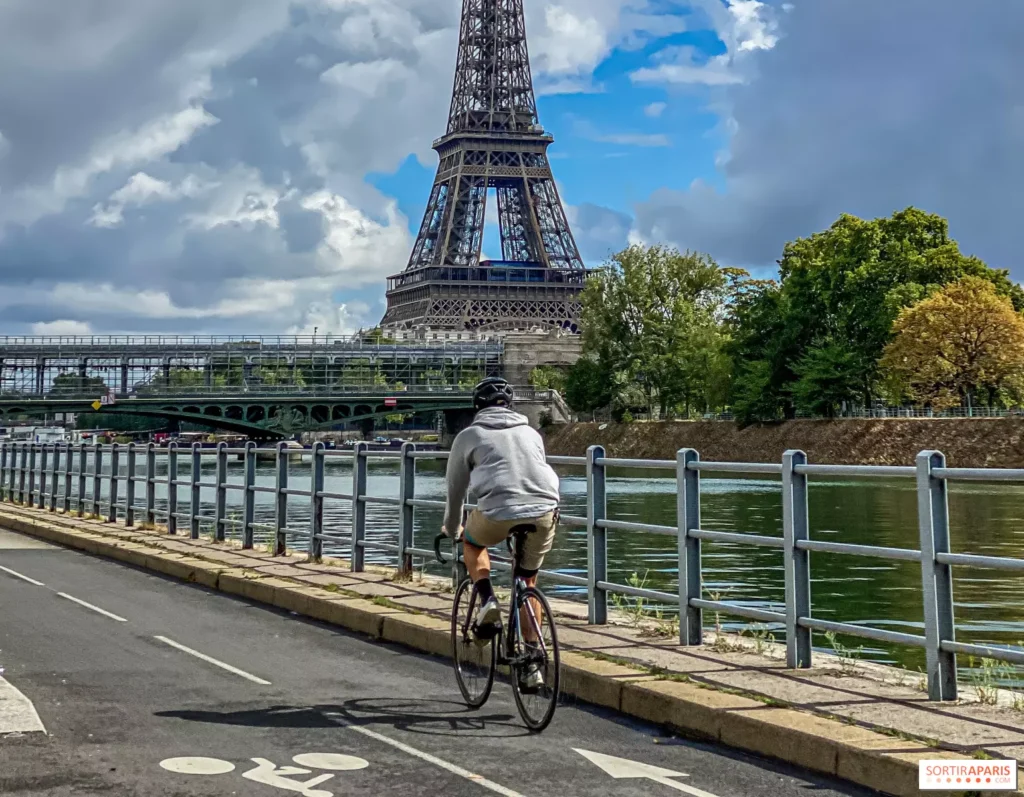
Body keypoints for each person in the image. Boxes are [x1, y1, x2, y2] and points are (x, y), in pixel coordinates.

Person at [442, 377, 561, 689]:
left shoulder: (468, 436)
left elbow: (455, 491)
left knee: (471, 542)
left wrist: (453, 528)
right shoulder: (531, 433)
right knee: (528, 579)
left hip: (497, 512)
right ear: (511, 406)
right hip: (544, 510)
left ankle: (487, 601)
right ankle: (533, 663)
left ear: (476, 407)